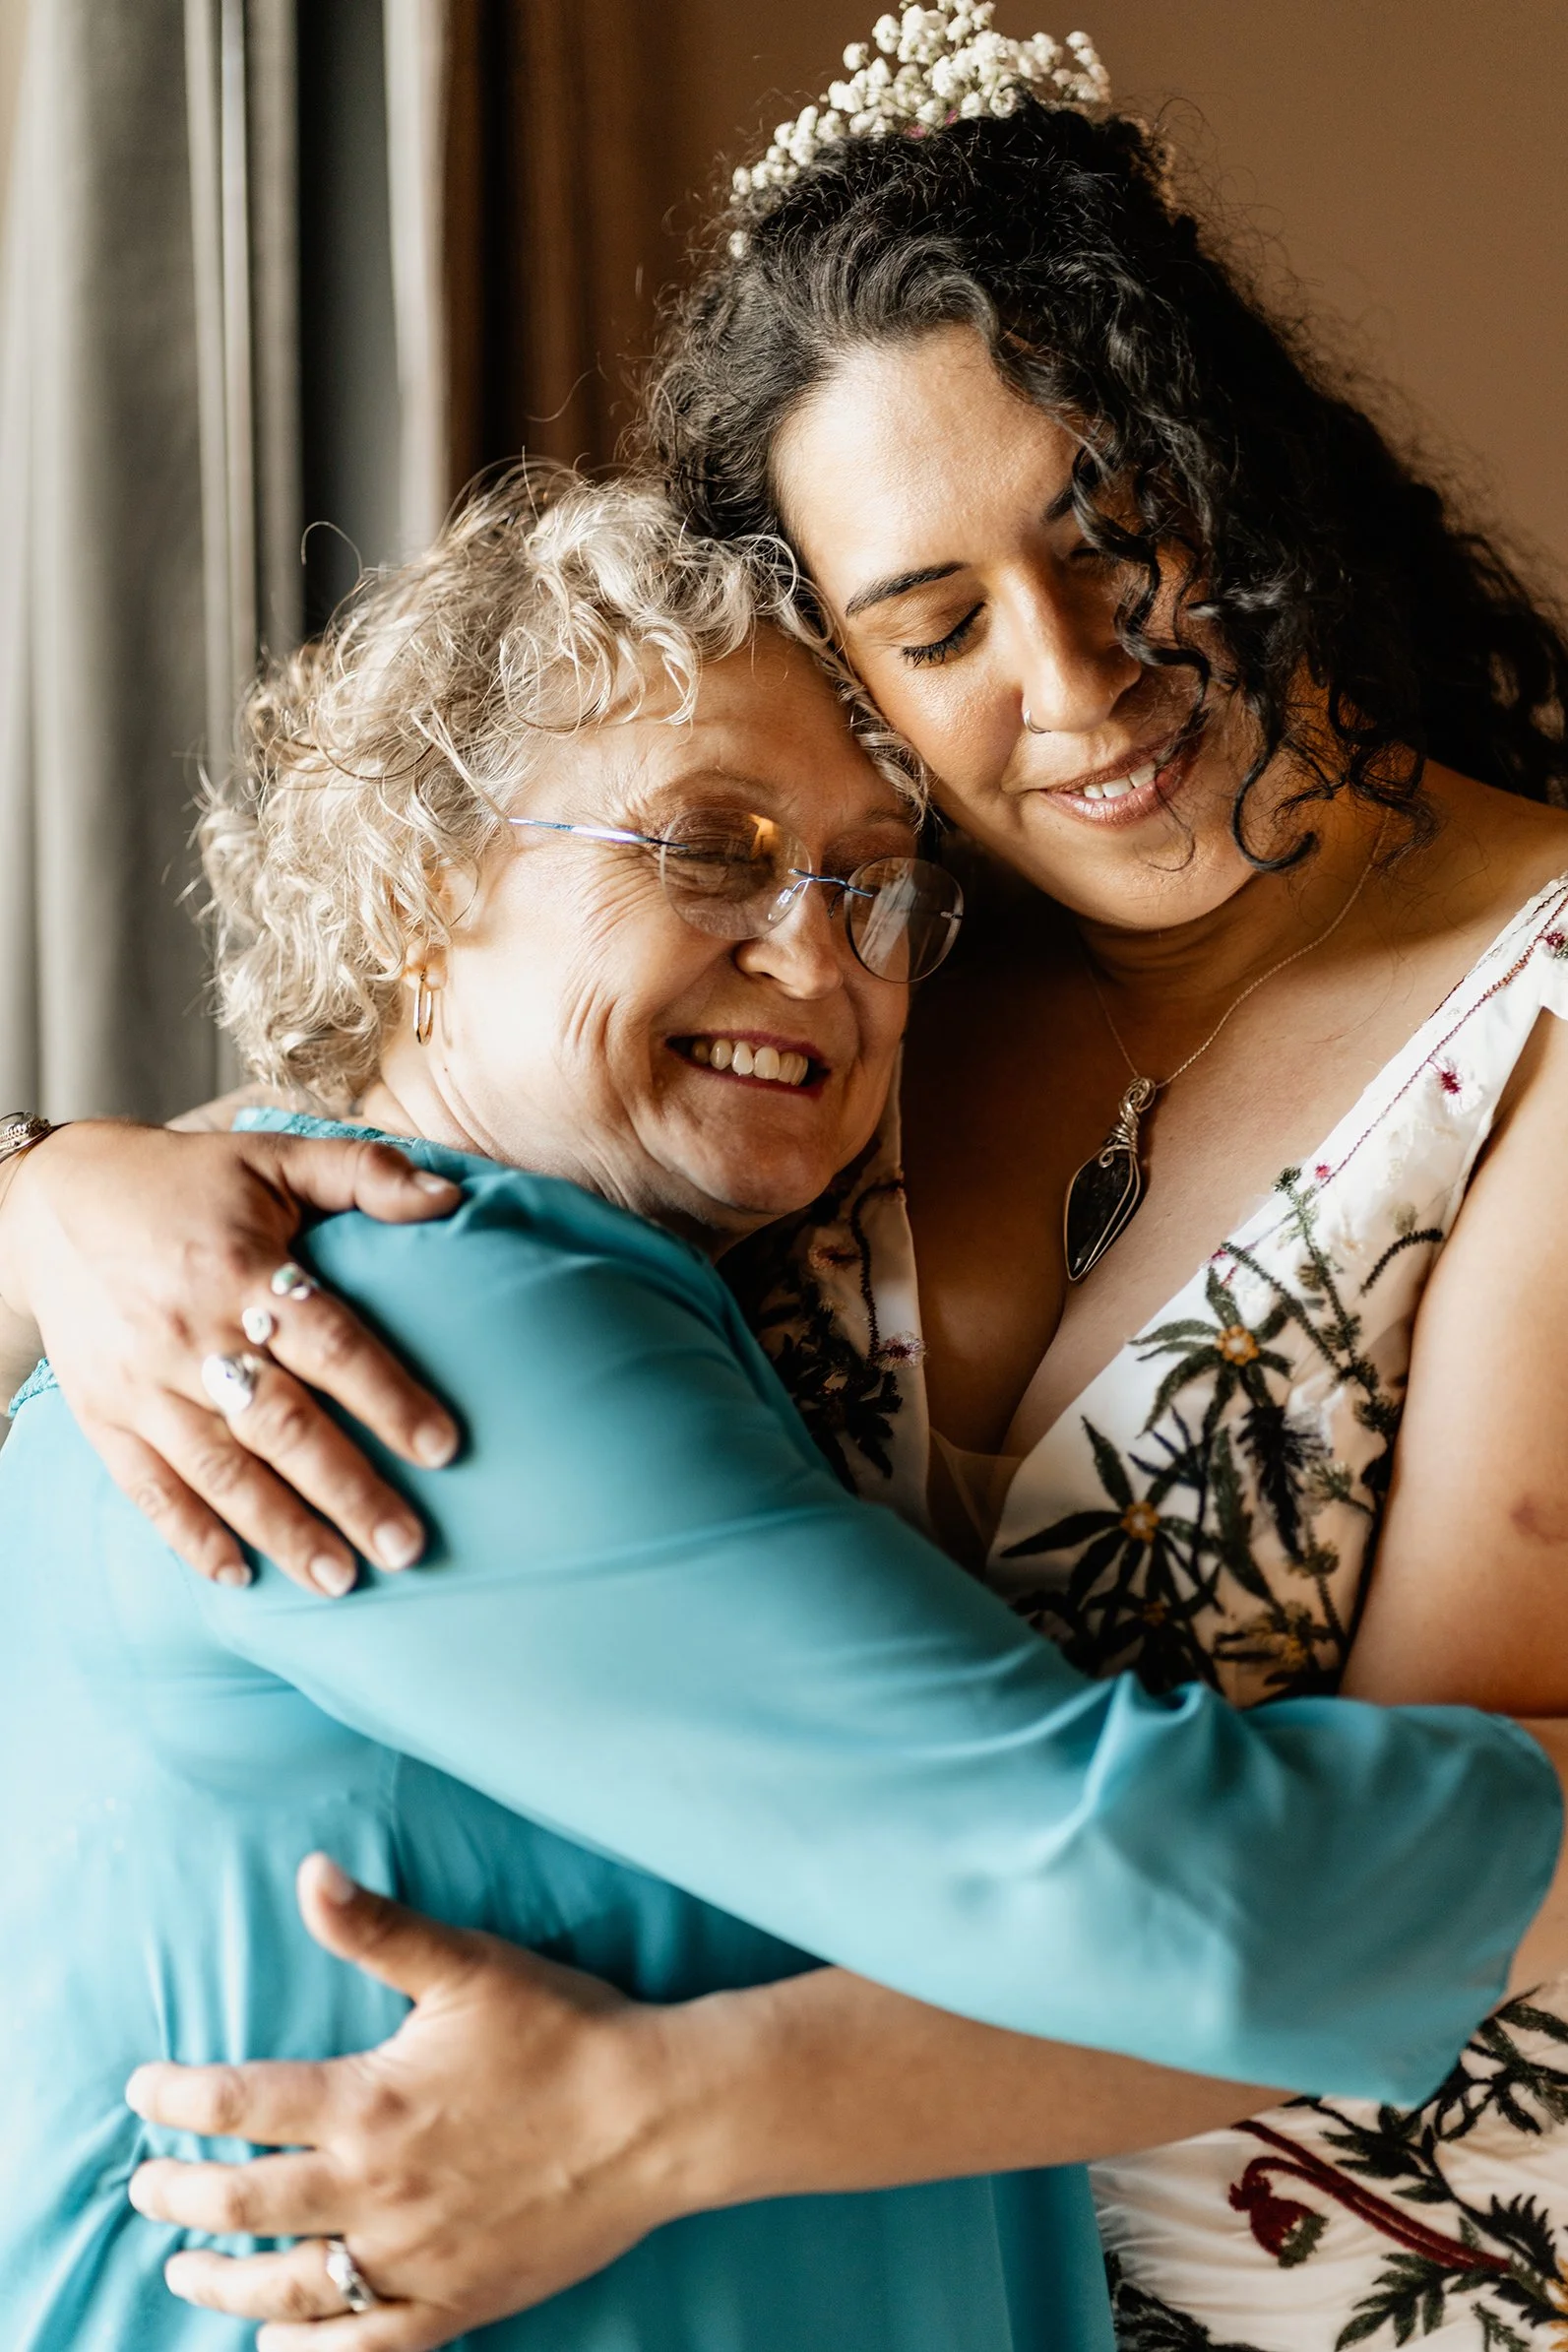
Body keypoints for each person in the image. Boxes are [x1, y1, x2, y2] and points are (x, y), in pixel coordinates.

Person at [9, 9, 1568, 2345]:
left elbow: (1358, 1895)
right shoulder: (602, 1156)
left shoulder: (1477, 1015)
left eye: (1116, 538)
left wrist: (674, 2114)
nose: (1067, 680)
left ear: (1246, 473)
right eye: (928, 629)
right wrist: (47, 1183)